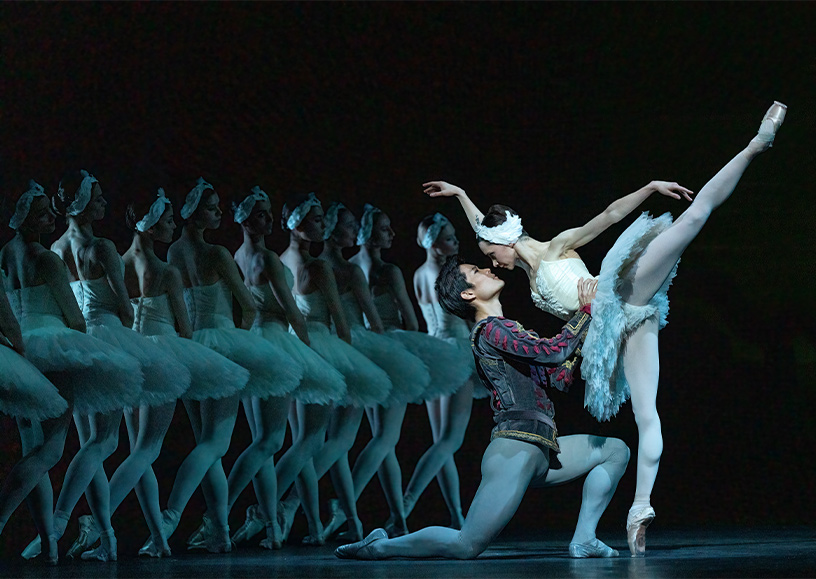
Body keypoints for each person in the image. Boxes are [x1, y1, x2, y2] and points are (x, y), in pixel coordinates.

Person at [423, 101, 786, 555]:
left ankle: (756, 144)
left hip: (617, 294)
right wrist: (460, 194)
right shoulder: (523, 272)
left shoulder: (556, 249)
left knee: (693, 218)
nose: (491, 262)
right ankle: (639, 511)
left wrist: (649, 187)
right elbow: (485, 225)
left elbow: (610, 216)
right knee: (645, 414)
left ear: (504, 245)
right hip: (608, 330)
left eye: (489, 254)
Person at [336, 256, 629, 560]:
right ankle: (381, 547)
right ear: (467, 294)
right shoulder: (490, 330)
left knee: (615, 451)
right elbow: (553, 352)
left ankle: (584, 538)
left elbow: (557, 377)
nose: (488, 270)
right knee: (467, 545)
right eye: (476, 271)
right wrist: (583, 313)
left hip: (542, 449)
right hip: (515, 449)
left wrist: (589, 340)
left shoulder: (510, 330)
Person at [2, 180, 143, 563]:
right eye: (43, 211)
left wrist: (18, 343)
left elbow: (11, 313)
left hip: (22, 347)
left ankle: (52, 540)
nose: (51, 216)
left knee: (44, 451)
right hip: (60, 343)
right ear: (26, 216)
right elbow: (75, 315)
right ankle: (41, 524)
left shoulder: (16, 253)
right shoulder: (54, 257)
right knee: (61, 449)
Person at [229, 187, 346, 549]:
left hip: (261, 341)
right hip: (289, 342)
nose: (323, 224)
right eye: (315, 219)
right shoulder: (288, 262)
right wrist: (320, 355)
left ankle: (284, 522)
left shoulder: (251, 255)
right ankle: (247, 511)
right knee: (292, 440)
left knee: (277, 442)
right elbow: (310, 316)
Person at [279, 192, 391, 544]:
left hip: (301, 347)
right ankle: (283, 504)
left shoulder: (292, 261)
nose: (353, 231)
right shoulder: (343, 269)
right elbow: (367, 322)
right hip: (341, 347)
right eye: (347, 226)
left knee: (316, 441)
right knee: (336, 439)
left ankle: (347, 520)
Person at [319, 202, 430, 540]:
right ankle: (342, 503)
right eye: (385, 229)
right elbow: (410, 321)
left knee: (381, 442)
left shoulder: (343, 266)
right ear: (367, 232)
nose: (392, 234)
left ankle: (397, 517)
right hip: (388, 348)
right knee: (385, 438)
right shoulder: (387, 271)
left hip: (356, 349)